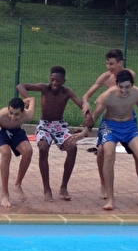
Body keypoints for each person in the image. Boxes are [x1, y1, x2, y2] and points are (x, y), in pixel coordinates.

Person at [81, 70, 138, 210]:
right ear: (116, 84)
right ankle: (110, 198)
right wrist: (84, 131)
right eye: (121, 87)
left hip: (129, 126)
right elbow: (96, 115)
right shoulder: (108, 95)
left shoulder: (137, 93)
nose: (124, 90)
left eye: (127, 87)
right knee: (109, 153)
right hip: (110, 126)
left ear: (132, 85)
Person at [17, 66, 86, 202]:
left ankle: (64, 187)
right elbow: (20, 86)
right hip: (45, 124)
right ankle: (47, 189)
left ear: (64, 81)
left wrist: (87, 111)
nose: (54, 83)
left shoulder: (67, 92)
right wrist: (28, 99)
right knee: (43, 148)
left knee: (72, 147)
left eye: (58, 80)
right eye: (52, 79)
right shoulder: (44, 88)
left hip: (60, 125)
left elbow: (81, 105)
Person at [80, 49, 138, 195]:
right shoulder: (106, 77)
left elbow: (123, 89)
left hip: (127, 118)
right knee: (101, 151)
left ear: (120, 63)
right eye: (107, 63)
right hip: (110, 118)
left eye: (112, 64)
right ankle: (103, 184)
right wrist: (86, 104)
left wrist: (105, 93)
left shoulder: (130, 74)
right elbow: (86, 95)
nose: (109, 67)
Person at [0, 96, 36, 208]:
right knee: (6, 153)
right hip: (0, 131)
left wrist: (23, 101)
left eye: (17, 114)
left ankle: (18, 184)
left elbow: (32, 99)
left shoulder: (29, 115)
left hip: (15, 131)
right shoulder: (2, 115)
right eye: (11, 113)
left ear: (23, 112)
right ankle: (5, 194)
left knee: (28, 151)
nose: (13, 117)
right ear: (8, 109)